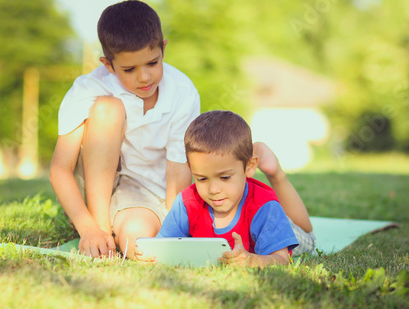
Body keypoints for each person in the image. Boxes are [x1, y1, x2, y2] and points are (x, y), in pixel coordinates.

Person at [49, 0, 200, 258]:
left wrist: (175, 231)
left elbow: (178, 172)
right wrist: (89, 229)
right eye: (129, 69)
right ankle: (101, 229)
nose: (144, 77)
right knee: (107, 109)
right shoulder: (88, 89)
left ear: (163, 49)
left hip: (152, 195)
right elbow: (60, 169)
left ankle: (125, 231)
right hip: (103, 193)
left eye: (152, 63)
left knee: (139, 240)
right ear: (108, 65)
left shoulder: (182, 91)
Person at [135, 110, 315, 267]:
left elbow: (281, 259)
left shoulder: (264, 206)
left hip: (289, 232)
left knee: (306, 236)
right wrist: (149, 256)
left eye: (225, 177)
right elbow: (164, 245)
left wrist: (253, 261)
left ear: (249, 167)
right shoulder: (187, 202)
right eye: (202, 178)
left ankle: (276, 174)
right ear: (191, 170)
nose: (213, 189)